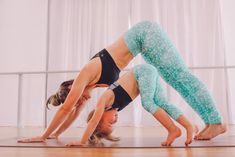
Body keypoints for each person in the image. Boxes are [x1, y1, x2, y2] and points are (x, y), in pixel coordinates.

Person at [17, 21, 225, 143]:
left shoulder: (84, 74)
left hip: (146, 34)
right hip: (144, 44)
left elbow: (66, 109)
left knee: (179, 76)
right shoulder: (93, 83)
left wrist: (43, 135)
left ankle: (215, 121)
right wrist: (56, 135)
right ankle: (208, 122)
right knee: (175, 79)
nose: (82, 102)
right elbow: (73, 112)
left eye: (78, 99)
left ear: (72, 88)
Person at [66, 64, 198, 146]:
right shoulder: (114, 106)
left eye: (110, 123)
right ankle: (189, 125)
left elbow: (93, 121)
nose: (115, 120)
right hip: (146, 73)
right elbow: (96, 121)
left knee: (147, 103)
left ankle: (173, 130)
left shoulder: (104, 99)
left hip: (142, 72)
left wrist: (82, 141)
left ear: (99, 116)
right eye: (114, 124)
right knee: (163, 103)